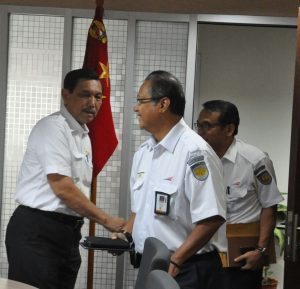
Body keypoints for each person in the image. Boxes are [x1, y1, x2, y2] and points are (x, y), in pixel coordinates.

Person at [5, 68, 125, 289]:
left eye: (98, 97)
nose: (93, 102)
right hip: (38, 231)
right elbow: (62, 188)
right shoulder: (53, 128)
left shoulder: (83, 135)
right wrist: (107, 221)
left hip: (67, 233)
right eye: (85, 94)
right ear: (65, 94)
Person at [120, 71, 226, 289]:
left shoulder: (195, 153)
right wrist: (126, 234)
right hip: (151, 264)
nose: (136, 108)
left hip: (186, 268)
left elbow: (212, 218)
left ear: (163, 104)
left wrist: (177, 259)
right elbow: (140, 209)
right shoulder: (144, 152)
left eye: (141, 101)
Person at [196, 100, 284, 289]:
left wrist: (260, 250)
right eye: (198, 125)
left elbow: (269, 206)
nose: (200, 131)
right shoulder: (196, 159)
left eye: (207, 126)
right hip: (200, 257)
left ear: (229, 129)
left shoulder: (255, 161)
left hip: (237, 260)